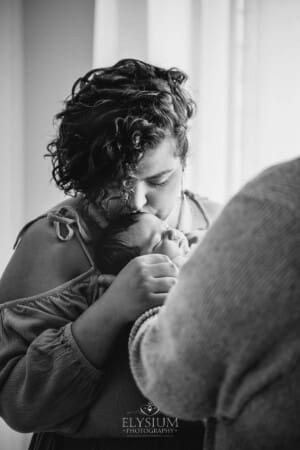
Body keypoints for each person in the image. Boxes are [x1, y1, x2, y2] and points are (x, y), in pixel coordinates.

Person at [0, 58, 220, 450]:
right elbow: (18, 405)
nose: (137, 200)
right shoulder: (50, 243)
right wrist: (110, 310)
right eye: (115, 182)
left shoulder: (222, 228)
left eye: (158, 179)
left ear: (183, 158)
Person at [129, 157, 300, 450]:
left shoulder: (275, 203)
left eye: (159, 180)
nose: (137, 201)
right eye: (156, 242)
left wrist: (157, 310)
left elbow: (173, 378)